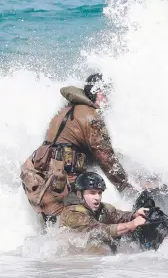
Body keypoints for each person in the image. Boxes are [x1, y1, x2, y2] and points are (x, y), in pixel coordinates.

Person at [20, 73, 133, 224]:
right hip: (59, 179)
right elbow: (105, 158)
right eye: (104, 94)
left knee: (54, 227)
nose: (107, 99)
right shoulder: (91, 116)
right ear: (96, 92)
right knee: (79, 227)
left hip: (35, 172)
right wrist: (125, 186)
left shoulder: (65, 110)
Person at [59, 172, 147, 247]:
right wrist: (129, 225)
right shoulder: (73, 213)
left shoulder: (102, 207)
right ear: (79, 194)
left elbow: (118, 216)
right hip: (74, 254)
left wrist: (135, 215)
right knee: (98, 247)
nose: (97, 197)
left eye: (99, 193)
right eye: (92, 193)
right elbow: (96, 230)